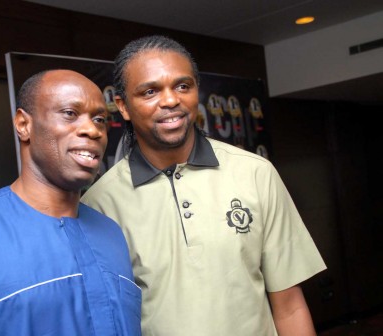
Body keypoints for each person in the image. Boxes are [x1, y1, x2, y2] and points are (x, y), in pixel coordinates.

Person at [81, 35, 326, 335]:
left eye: (183, 86)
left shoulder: (255, 174)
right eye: (150, 91)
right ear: (123, 106)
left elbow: (289, 306)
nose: (171, 100)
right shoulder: (98, 205)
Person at [0, 70, 142, 336]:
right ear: (23, 125)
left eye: (99, 119)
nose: (92, 130)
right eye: (69, 113)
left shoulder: (110, 233)